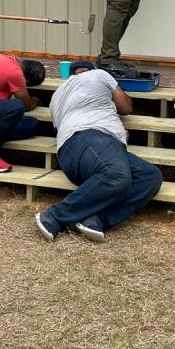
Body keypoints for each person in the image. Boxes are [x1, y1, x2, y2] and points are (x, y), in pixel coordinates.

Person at [35, 60, 163, 243]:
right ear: (90, 70)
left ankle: (95, 219)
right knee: (117, 175)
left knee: (150, 176)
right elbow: (126, 107)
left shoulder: (57, 95)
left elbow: (58, 128)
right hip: (91, 137)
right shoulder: (99, 75)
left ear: (71, 75)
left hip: (71, 155)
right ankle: (54, 216)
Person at [0, 53, 46, 173]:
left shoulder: (1, 58)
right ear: (26, 80)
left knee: (31, 124)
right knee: (17, 106)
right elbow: (26, 104)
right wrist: (35, 100)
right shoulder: (15, 72)